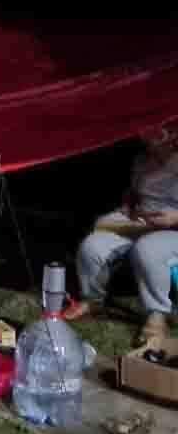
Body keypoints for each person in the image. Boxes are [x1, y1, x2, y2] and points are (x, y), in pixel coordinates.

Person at [72, 125, 178, 340]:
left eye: (160, 130)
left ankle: (158, 315)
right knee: (93, 244)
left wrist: (175, 218)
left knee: (148, 248)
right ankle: (93, 301)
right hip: (142, 221)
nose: (150, 136)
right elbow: (134, 194)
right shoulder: (142, 161)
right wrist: (129, 208)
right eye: (147, 132)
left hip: (172, 228)